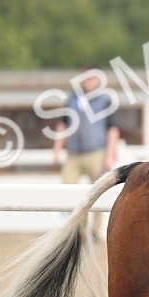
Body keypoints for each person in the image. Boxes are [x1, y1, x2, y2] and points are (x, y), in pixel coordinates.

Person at [52, 68, 119, 238]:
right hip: (73, 153)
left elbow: (112, 129)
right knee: (68, 189)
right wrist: (57, 147)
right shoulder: (72, 99)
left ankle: (95, 232)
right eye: (85, 78)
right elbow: (63, 123)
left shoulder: (105, 100)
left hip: (96, 152)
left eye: (91, 78)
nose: (88, 81)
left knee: (97, 192)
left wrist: (110, 154)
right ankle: (77, 230)